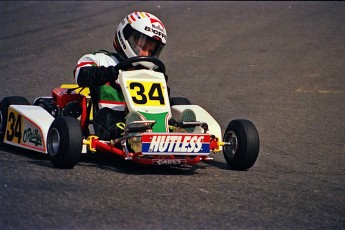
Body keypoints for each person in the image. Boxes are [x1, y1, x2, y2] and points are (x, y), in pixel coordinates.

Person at [73, 12, 195, 141]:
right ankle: (128, 134)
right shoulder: (103, 60)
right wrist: (106, 73)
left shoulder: (152, 71)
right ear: (126, 37)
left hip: (150, 118)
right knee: (104, 115)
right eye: (142, 46)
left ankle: (175, 130)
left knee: (180, 103)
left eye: (151, 51)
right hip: (115, 119)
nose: (145, 53)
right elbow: (80, 74)